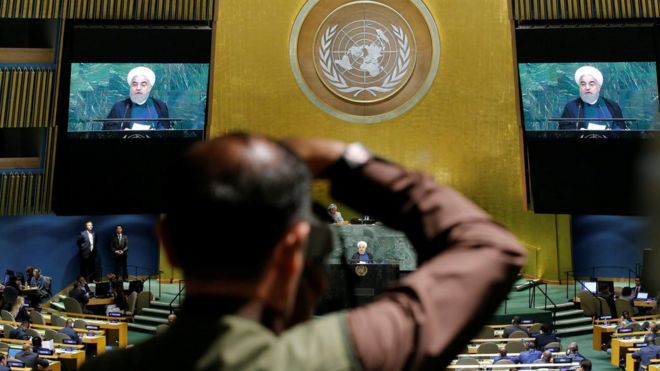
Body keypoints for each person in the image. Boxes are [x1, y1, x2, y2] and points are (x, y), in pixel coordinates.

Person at [80, 133, 526, 371]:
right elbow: (491, 248)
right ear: (295, 250)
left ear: (168, 243)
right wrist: (347, 162)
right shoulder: (344, 355)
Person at [104, 66, 171, 131]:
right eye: (135, 84)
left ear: (150, 88)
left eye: (143, 84)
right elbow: (108, 130)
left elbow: (165, 128)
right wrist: (122, 132)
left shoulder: (160, 106)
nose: (138, 88)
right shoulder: (119, 107)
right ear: (130, 87)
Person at [559, 66, 625, 130]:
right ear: (579, 88)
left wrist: (610, 133)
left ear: (599, 87)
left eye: (591, 84)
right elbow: (564, 129)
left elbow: (620, 127)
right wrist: (579, 132)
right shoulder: (571, 106)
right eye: (583, 84)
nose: (587, 87)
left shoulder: (612, 105)